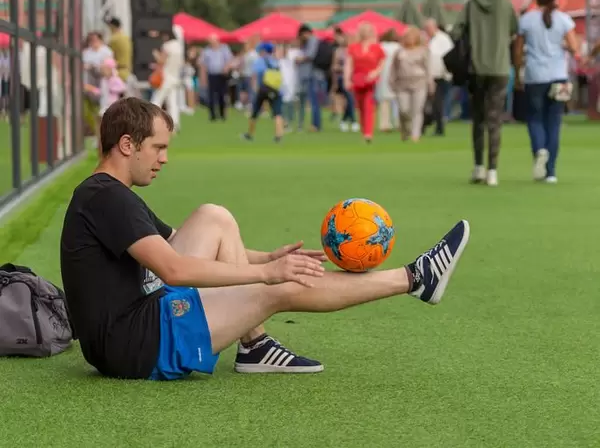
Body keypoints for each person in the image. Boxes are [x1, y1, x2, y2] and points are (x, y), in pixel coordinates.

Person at [60, 97, 470, 381]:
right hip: (136, 346)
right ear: (128, 144)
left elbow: (171, 243)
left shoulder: (108, 193)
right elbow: (174, 268)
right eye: (158, 148)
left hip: (136, 322)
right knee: (277, 289)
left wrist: (265, 257)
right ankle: (414, 279)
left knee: (214, 217)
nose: (164, 159)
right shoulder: (107, 199)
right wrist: (268, 275)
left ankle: (253, 344)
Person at [453, 0, 518, 187]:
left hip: (476, 67)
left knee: (478, 119)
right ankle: (493, 170)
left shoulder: (472, 4)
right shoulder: (505, 4)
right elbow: (514, 29)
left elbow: (456, 31)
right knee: (495, 120)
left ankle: (478, 166)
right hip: (500, 67)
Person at [513, 0, 578, 183]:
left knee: (535, 118)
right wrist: (562, 47)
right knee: (554, 121)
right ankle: (551, 171)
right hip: (559, 75)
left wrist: (517, 72)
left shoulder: (527, 20)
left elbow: (517, 50)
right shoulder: (564, 19)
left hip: (535, 75)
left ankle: (539, 150)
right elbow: (574, 47)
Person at [344, 23, 385, 143]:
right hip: (357, 79)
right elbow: (349, 65)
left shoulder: (377, 48)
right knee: (360, 106)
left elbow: (381, 63)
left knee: (369, 105)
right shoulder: (353, 47)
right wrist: (347, 79)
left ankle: (368, 133)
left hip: (370, 80)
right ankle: (364, 130)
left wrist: (375, 73)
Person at [389, 27, 432, 143]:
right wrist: (391, 81)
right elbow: (393, 68)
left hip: (419, 83)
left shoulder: (423, 51)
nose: (409, 39)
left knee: (417, 110)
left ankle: (415, 134)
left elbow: (428, 68)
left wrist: (430, 83)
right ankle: (405, 129)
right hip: (402, 84)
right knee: (404, 109)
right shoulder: (399, 52)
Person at [243, 43, 285, 142]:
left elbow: (254, 76)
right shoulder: (276, 61)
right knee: (277, 113)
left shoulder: (260, 61)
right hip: (276, 90)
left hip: (263, 89)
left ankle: (250, 134)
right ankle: (279, 135)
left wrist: (254, 88)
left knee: (255, 112)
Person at [422, 19, 453, 136]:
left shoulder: (442, 39)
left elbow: (443, 57)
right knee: (434, 103)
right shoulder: (430, 40)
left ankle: (433, 126)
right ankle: (432, 125)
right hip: (431, 75)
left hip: (440, 76)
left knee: (436, 102)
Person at [151, 29, 184, 131]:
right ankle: (175, 124)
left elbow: (162, 60)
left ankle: (151, 122)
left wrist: (155, 54)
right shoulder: (179, 46)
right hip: (175, 77)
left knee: (156, 99)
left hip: (166, 77)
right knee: (172, 102)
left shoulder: (167, 46)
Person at [296, 25, 327, 132]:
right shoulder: (312, 41)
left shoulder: (313, 41)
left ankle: (316, 125)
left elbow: (310, 55)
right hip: (313, 74)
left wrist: (299, 59)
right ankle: (315, 124)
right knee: (313, 100)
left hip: (313, 75)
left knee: (314, 101)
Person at [199, 35, 233, 122]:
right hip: (211, 74)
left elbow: (229, 60)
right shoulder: (207, 51)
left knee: (222, 95)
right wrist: (203, 77)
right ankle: (212, 115)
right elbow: (203, 65)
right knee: (211, 95)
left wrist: (226, 67)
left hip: (222, 75)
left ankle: (222, 114)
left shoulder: (224, 48)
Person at [331, 29, 358, 132]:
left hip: (353, 78)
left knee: (350, 100)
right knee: (349, 99)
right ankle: (354, 121)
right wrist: (344, 68)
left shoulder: (354, 51)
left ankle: (344, 121)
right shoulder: (338, 52)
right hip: (342, 78)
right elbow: (334, 66)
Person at [377, 30, 400, 133]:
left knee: (384, 102)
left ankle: (384, 124)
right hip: (396, 75)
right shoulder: (398, 47)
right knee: (397, 101)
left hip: (383, 75)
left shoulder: (380, 46)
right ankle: (398, 122)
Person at [106, 17, 132, 86]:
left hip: (117, 73)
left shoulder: (113, 39)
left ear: (112, 26)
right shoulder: (126, 37)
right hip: (127, 71)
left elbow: (108, 55)